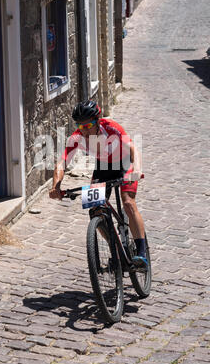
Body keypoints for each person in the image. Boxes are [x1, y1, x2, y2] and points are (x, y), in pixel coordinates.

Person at [49, 100, 148, 269]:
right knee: (95, 210)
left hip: (124, 163)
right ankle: (116, 249)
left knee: (128, 202)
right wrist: (55, 186)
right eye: (81, 126)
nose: (85, 130)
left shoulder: (111, 127)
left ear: (98, 120)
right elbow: (62, 163)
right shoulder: (77, 137)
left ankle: (141, 252)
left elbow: (133, 149)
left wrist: (136, 171)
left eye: (88, 125)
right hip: (102, 167)